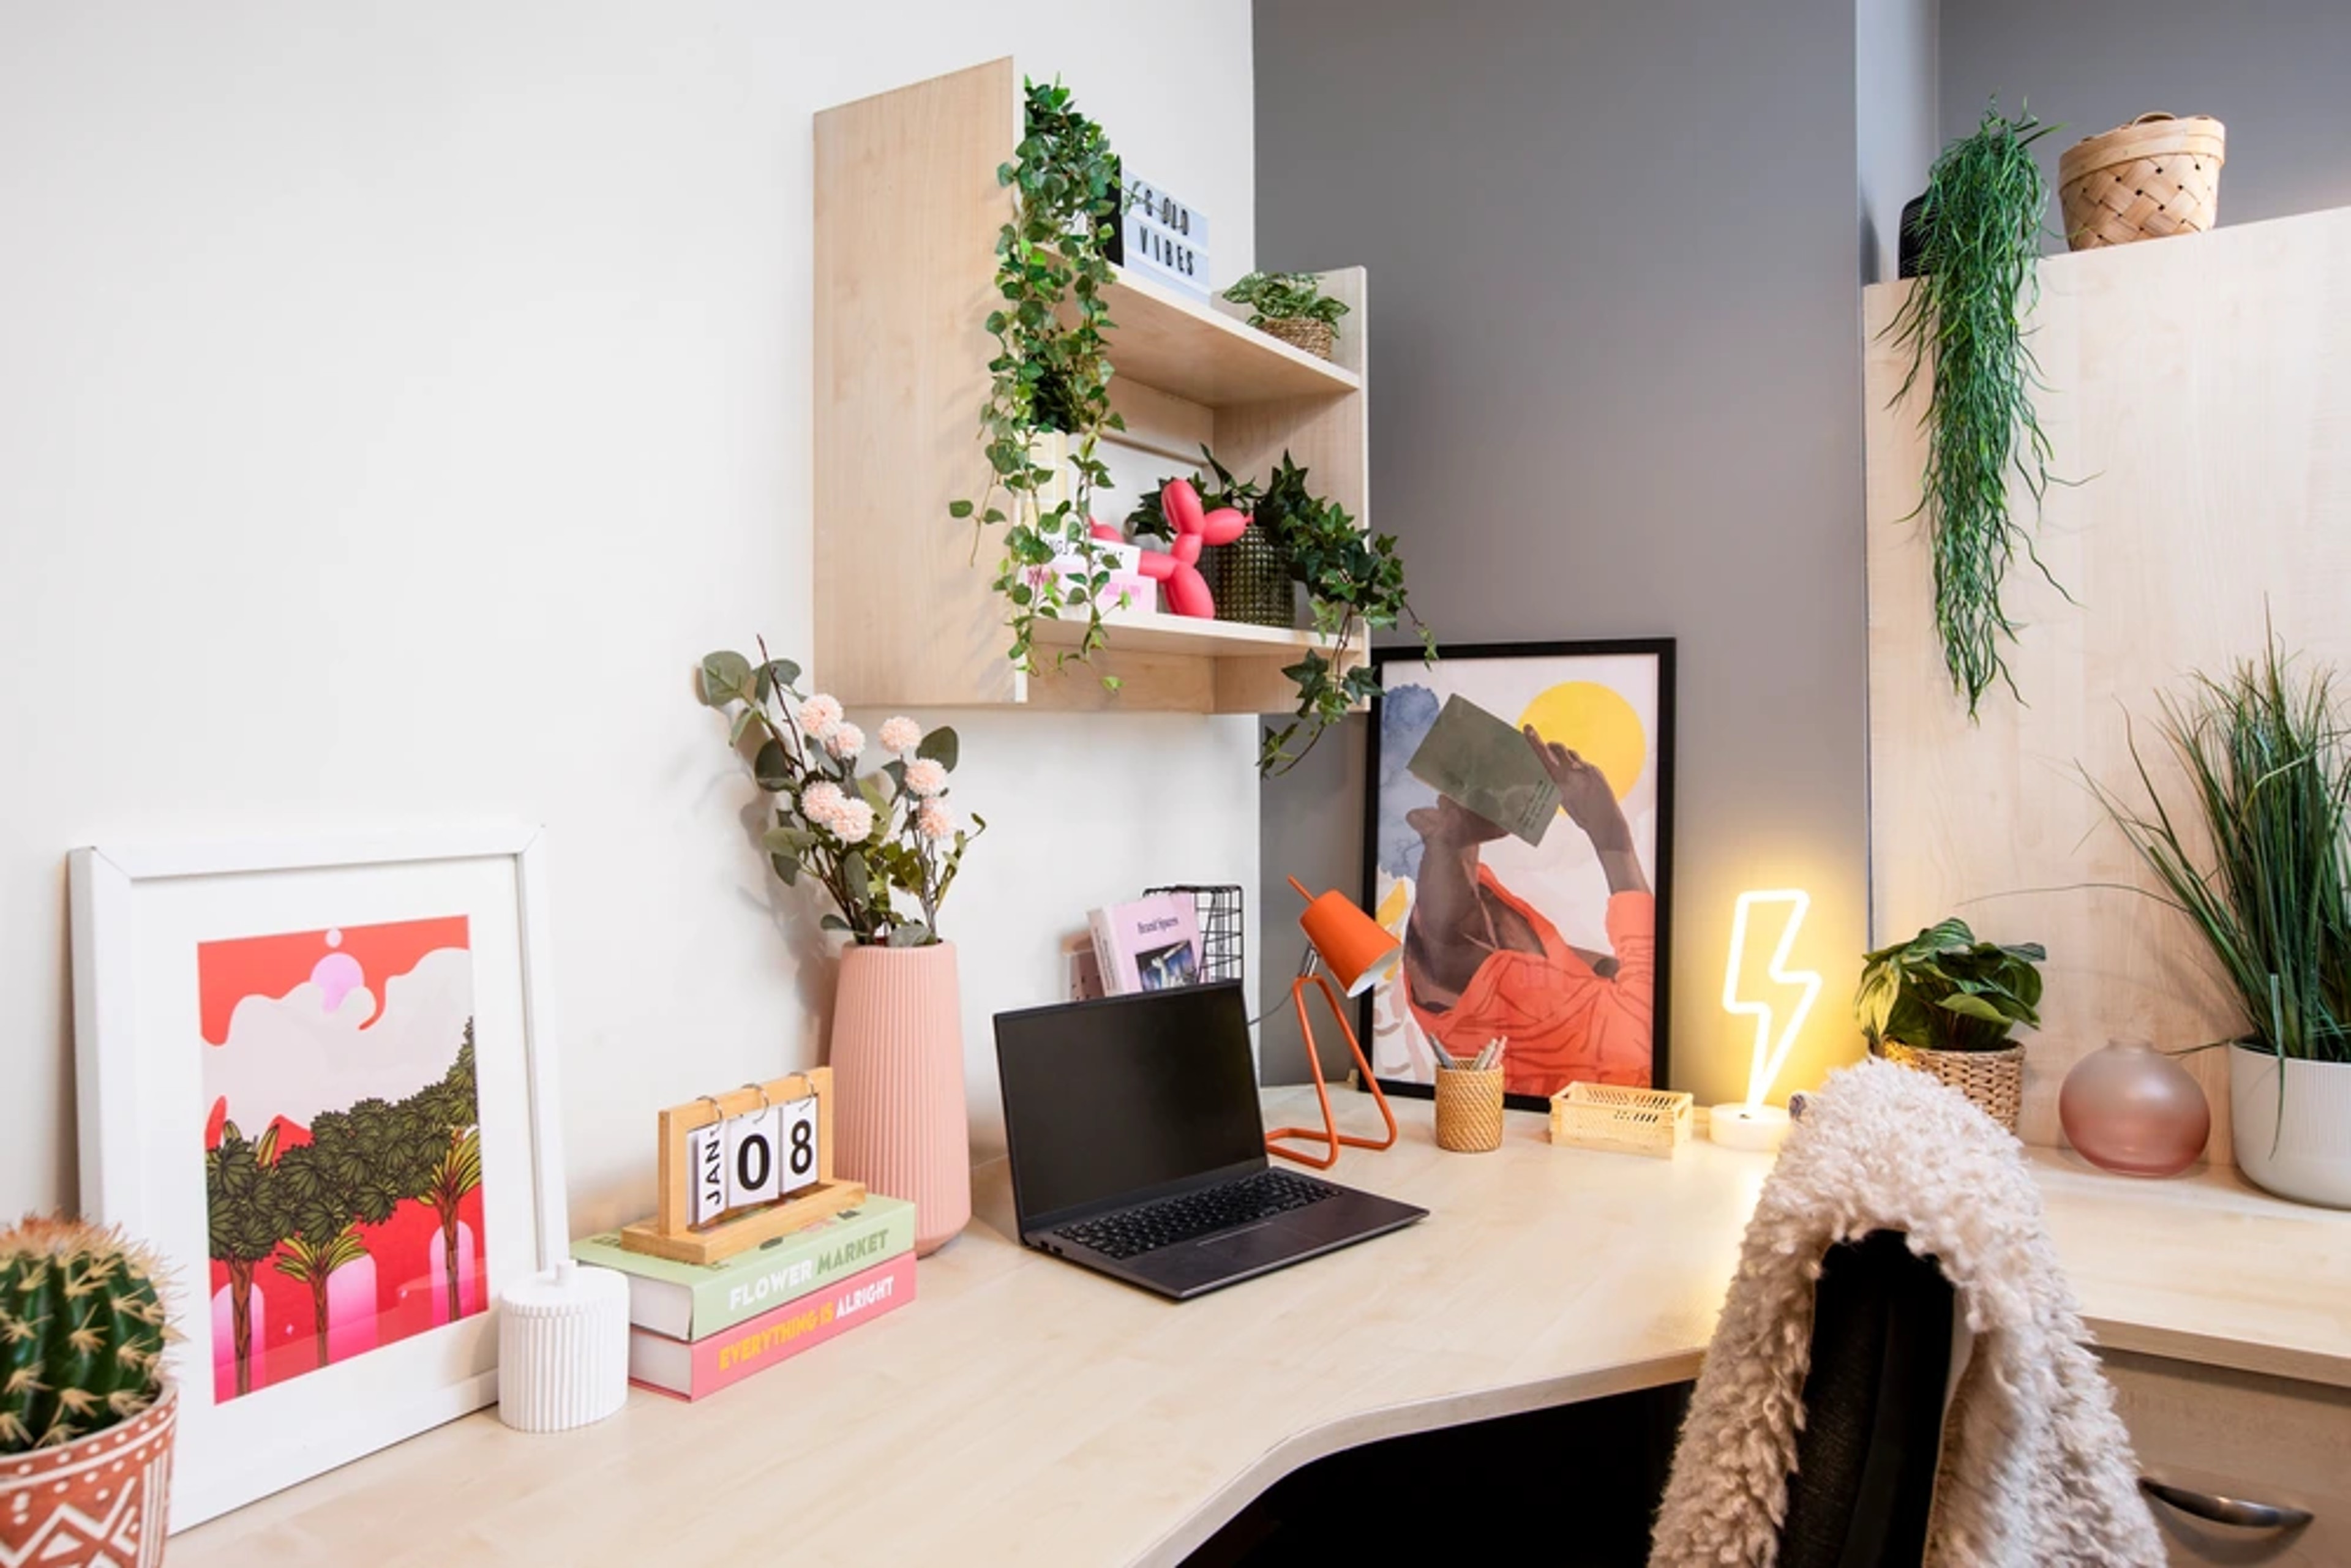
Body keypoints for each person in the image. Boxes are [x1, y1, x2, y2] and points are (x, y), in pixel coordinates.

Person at [1401, 725, 1655, 1097]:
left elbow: (1611, 978)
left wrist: (1610, 837)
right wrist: (1610, 836)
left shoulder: (1481, 922)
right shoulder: (1628, 1060)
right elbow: (1641, 994)